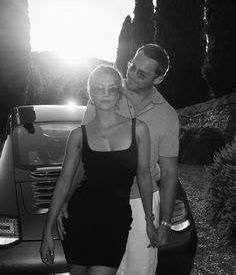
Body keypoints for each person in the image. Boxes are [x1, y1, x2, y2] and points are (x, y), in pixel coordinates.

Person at [58, 43, 179, 275]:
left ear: (159, 79)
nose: (131, 75)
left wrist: (164, 223)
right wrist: (66, 198)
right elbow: (84, 158)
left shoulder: (168, 116)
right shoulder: (105, 93)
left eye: (141, 73)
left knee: (140, 271)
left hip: (142, 202)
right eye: (132, 66)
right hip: (100, 201)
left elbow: (170, 173)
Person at [40, 64, 157, 275]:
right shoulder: (78, 135)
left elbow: (144, 177)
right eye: (98, 88)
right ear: (90, 93)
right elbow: (64, 182)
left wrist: (150, 220)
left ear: (119, 93)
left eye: (111, 88)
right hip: (79, 219)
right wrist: (47, 231)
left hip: (115, 221)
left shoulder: (138, 129)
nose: (105, 93)